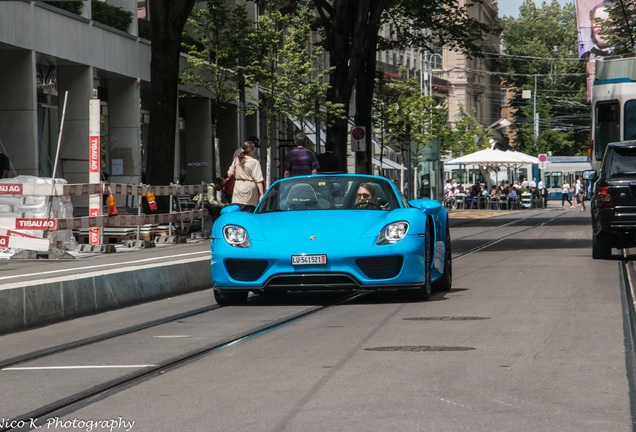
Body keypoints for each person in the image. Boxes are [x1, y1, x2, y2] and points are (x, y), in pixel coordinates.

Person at [227, 140, 264, 212]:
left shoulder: (236, 159)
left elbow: (229, 173)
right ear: (251, 150)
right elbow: (259, 180)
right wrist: (261, 194)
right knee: (248, 211)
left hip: (237, 188)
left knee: (237, 210)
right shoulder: (254, 162)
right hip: (249, 189)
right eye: (254, 149)